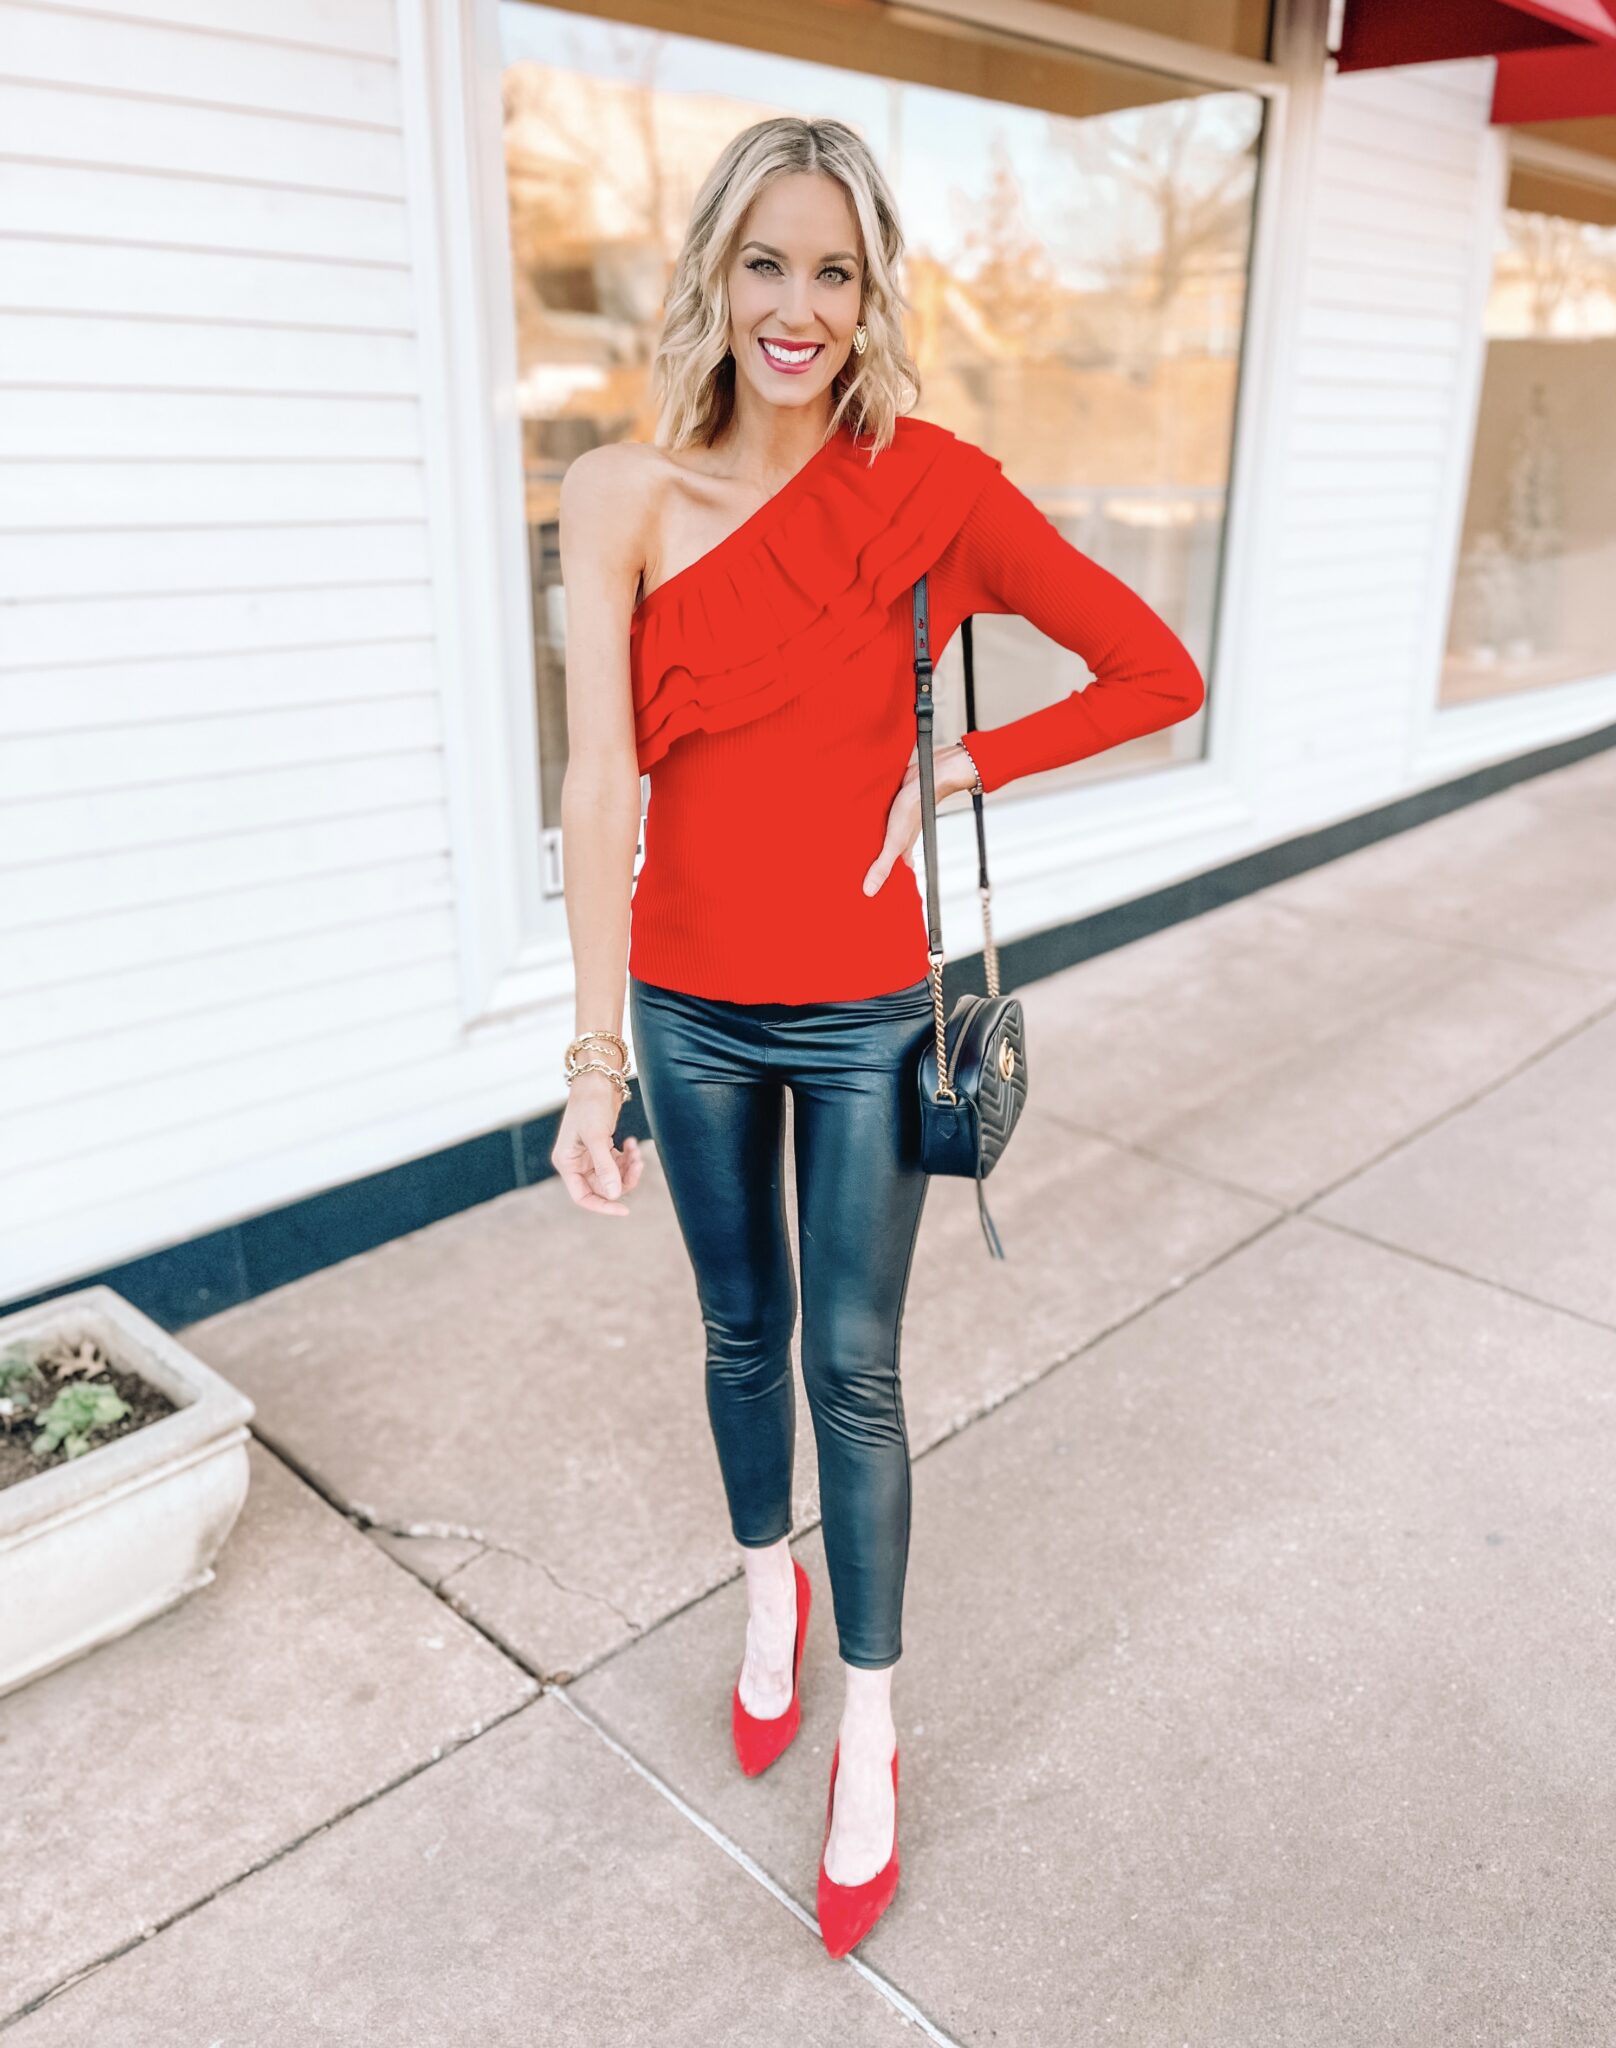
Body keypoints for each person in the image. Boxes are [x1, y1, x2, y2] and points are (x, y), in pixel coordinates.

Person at [551, 114, 1205, 1958]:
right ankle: (765, 1593)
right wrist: (590, 1057)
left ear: (869, 294)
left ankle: (873, 1730)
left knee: (854, 1367)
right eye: (767, 261)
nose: (798, 306)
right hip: (679, 1005)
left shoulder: (931, 492)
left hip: (858, 1018)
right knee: (734, 1329)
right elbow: (602, 787)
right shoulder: (618, 495)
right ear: (714, 272)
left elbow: (1158, 668)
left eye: (833, 271)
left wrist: (972, 757)